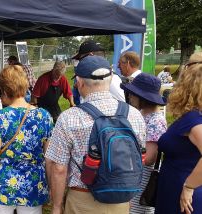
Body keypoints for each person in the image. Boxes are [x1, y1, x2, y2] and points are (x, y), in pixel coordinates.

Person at [45, 56, 146, 214]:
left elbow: (59, 168)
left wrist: (57, 206)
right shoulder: (134, 115)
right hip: (120, 198)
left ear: (80, 83)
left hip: (81, 200)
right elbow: (138, 159)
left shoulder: (69, 118)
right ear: (111, 78)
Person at [0, 65, 53, 214]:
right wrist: (52, 187)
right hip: (33, 185)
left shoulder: (0, 117)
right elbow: (50, 159)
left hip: (4, 186)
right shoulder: (44, 116)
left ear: (5, 91)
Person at [155, 53, 202, 214]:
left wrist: (189, 187)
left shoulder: (194, 119)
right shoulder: (193, 116)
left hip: (184, 193)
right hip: (177, 187)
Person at [120, 73, 167, 214]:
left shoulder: (156, 121)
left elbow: (149, 159)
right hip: (132, 175)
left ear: (143, 97)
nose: (130, 96)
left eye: (133, 94)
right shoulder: (139, 115)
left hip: (142, 179)